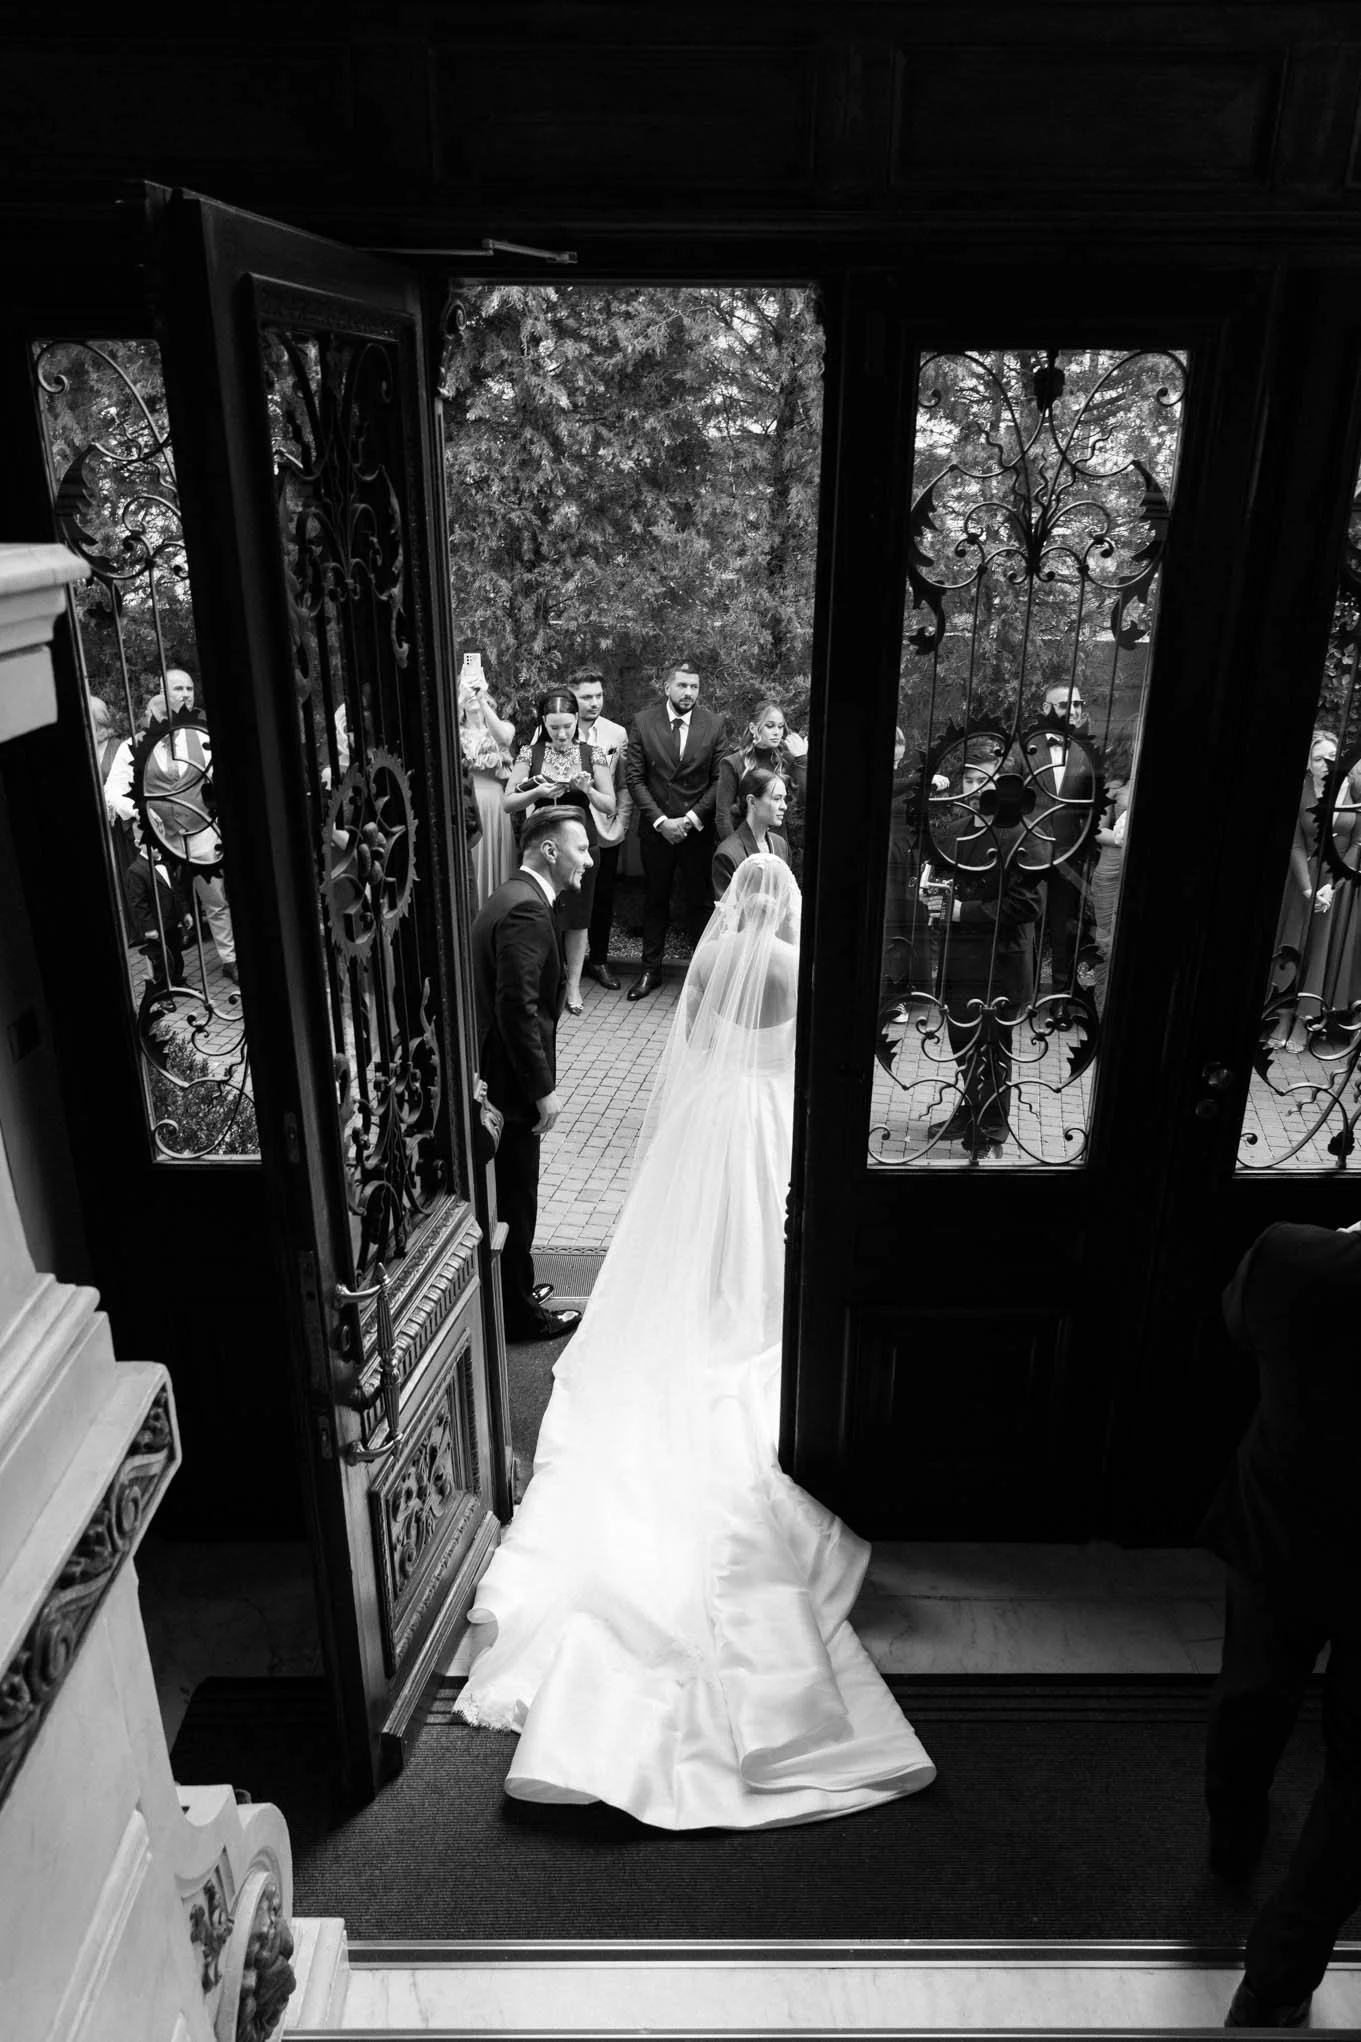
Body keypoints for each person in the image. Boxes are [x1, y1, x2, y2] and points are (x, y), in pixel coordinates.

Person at [456, 856, 936, 1828]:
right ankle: (743, 1339)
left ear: (733, 906)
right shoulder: (796, 964)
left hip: (708, 1125)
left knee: (696, 1255)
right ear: (786, 904)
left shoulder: (714, 964)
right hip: (766, 1125)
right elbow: (808, 1060)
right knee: (759, 1275)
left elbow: (689, 1047)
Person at [1200, 1221, 1361, 2029]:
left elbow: (1238, 1323)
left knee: (1251, 1692)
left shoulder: (1291, 1258)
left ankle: (1231, 1840)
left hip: (1283, 1530)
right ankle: (1274, 1982)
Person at [470, 807, 591, 1344]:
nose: (587, 859)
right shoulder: (525, 911)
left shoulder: (509, 896)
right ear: (549, 850)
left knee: (513, 1200)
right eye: (581, 848)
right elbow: (517, 1007)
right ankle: (519, 1316)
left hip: (499, 1076)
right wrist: (543, 1091)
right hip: (511, 1087)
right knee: (517, 1201)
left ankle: (516, 1290)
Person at [931, 747, 1040, 1158]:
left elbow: (1027, 906)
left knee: (993, 1047)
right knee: (962, 1040)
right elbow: (946, 883)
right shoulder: (958, 828)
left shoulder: (1023, 834)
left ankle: (991, 1130)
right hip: (962, 958)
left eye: (984, 781)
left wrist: (964, 911)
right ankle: (968, 1112)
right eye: (970, 780)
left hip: (1002, 962)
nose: (976, 789)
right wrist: (937, 900)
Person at [106, 669, 239, 984]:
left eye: (190, 688)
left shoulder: (203, 736)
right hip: (160, 842)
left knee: (217, 900)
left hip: (202, 834)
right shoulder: (132, 747)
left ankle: (230, 959)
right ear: (162, 693)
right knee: (162, 908)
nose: (186, 693)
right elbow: (111, 791)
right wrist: (139, 811)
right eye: (178, 688)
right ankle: (168, 974)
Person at [503, 689, 615, 1014]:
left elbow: (610, 805)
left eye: (567, 726)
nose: (562, 734)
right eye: (554, 728)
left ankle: (574, 987)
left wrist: (587, 789)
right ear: (544, 723)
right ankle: (547, 980)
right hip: (542, 848)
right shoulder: (529, 753)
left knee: (578, 918)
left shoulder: (592, 754)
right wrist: (537, 790)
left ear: (577, 720)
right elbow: (508, 801)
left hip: (580, 847)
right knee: (542, 915)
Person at [623, 660, 726, 1001]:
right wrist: (661, 822)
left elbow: (719, 780)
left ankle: (702, 976)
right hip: (656, 832)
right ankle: (650, 970)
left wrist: (692, 819)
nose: (688, 693)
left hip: (696, 832)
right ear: (667, 687)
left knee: (700, 902)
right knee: (655, 900)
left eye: (694, 687)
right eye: (682, 686)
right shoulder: (643, 722)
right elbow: (635, 779)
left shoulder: (714, 725)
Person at [1024, 678, 1100, 997]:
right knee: (1027, 927)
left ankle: (1060, 1000)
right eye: (1065, 704)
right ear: (1046, 709)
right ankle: (1022, 997)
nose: (1074, 710)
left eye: (1078, 704)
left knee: (1063, 930)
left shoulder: (1089, 751)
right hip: (1028, 854)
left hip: (1070, 857)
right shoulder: (1025, 748)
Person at [1267, 729, 1337, 1056]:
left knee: (1316, 952)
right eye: (1319, 758)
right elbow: (1293, 842)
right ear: (1309, 762)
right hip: (1300, 880)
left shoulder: (1352, 791)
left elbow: (1356, 843)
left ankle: (1302, 1022)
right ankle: (1281, 1017)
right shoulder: (1300, 790)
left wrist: (1331, 884)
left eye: (1331, 758)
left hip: (1334, 885)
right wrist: (1308, 887)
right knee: (1290, 946)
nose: (1326, 764)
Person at [572, 669, 633, 990]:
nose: (594, 702)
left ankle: (599, 960)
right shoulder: (554, 729)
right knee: (568, 896)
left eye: (598, 696)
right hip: (568, 830)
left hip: (605, 829)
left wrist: (621, 823)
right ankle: (567, 966)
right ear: (572, 697)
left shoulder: (616, 734)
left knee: (603, 897)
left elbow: (624, 784)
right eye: (586, 697)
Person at [458, 657, 517, 907]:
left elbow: (504, 739)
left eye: (475, 687)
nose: (471, 692)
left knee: (496, 863)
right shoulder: (456, 732)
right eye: (466, 688)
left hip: (495, 804)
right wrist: (460, 693)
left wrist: (480, 698)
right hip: (468, 801)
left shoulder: (502, 726)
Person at [714, 699, 810, 848]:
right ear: (753, 728)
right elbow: (723, 816)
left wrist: (802, 760)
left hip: (778, 847)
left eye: (780, 726)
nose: (777, 732)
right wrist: (736, 852)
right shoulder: (733, 763)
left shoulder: (786, 760)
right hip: (744, 845)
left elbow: (806, 801)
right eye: (770, 726)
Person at [1089, 738, 1133, 1016]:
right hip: (1111, 871)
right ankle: (1101, 1012)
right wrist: (1122, 838)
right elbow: (1095, 830)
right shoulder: (1116, 785)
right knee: (1106, 942)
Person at [711, 765, 790, 898]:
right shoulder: (728, 854)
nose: (784, 806)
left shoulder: (780, 844)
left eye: (784, 799)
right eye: (777, 799)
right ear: (752, 801)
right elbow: (727, 914)